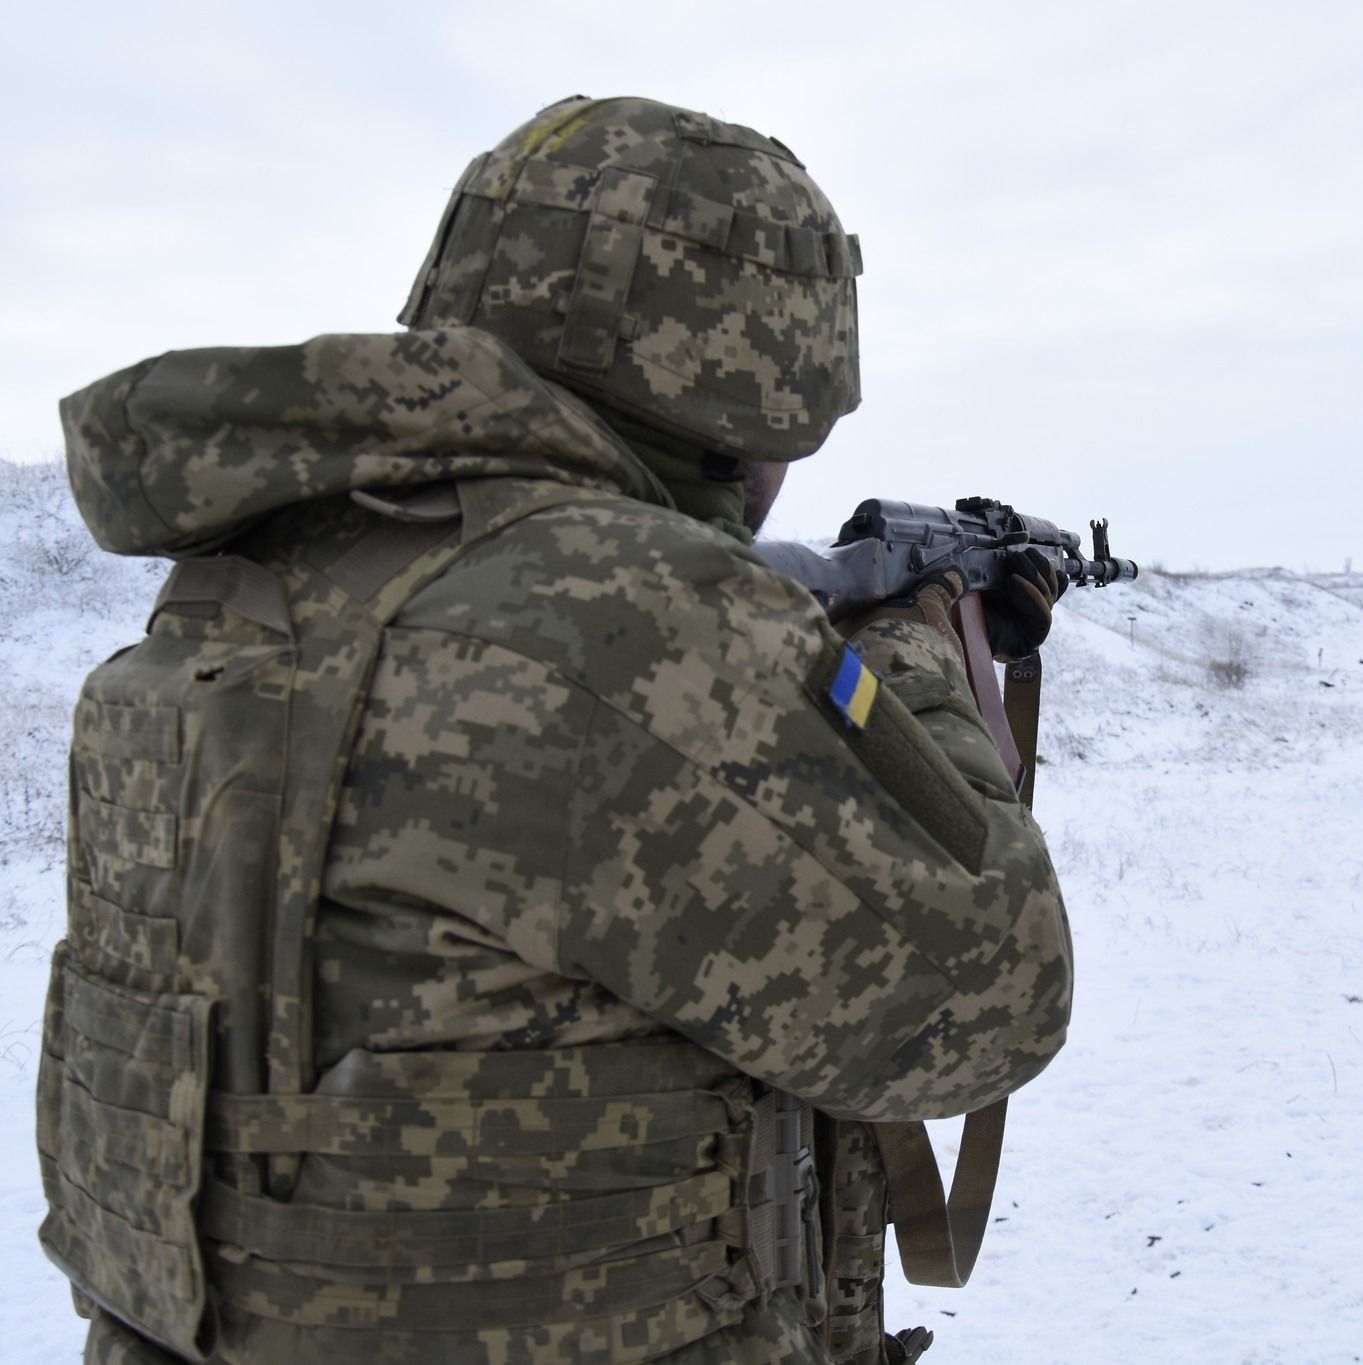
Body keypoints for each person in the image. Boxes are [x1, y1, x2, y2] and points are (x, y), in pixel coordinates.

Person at [38, 95, 1073, 1365]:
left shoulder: (235, 587)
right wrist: (912, 656)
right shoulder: (629, 618)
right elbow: (991, 999)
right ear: (754, 382)